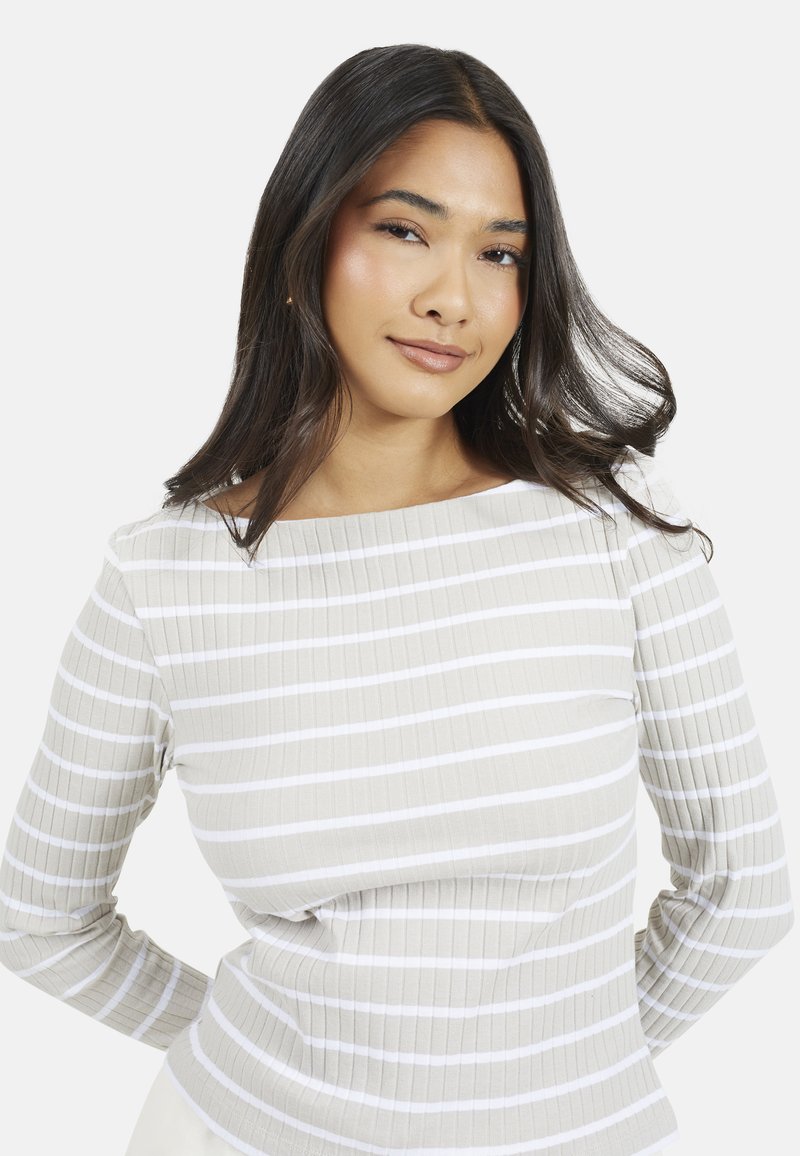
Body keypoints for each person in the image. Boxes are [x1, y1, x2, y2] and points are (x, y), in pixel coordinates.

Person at [0, 42, 793, 1156]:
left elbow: (743, 886)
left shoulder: (612, 526)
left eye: (499, 254)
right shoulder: (161, 580)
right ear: (305, 239)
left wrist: (553, 1076)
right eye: (405, 230)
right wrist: (289, 1069)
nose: (451, 299)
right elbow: (39, 915)